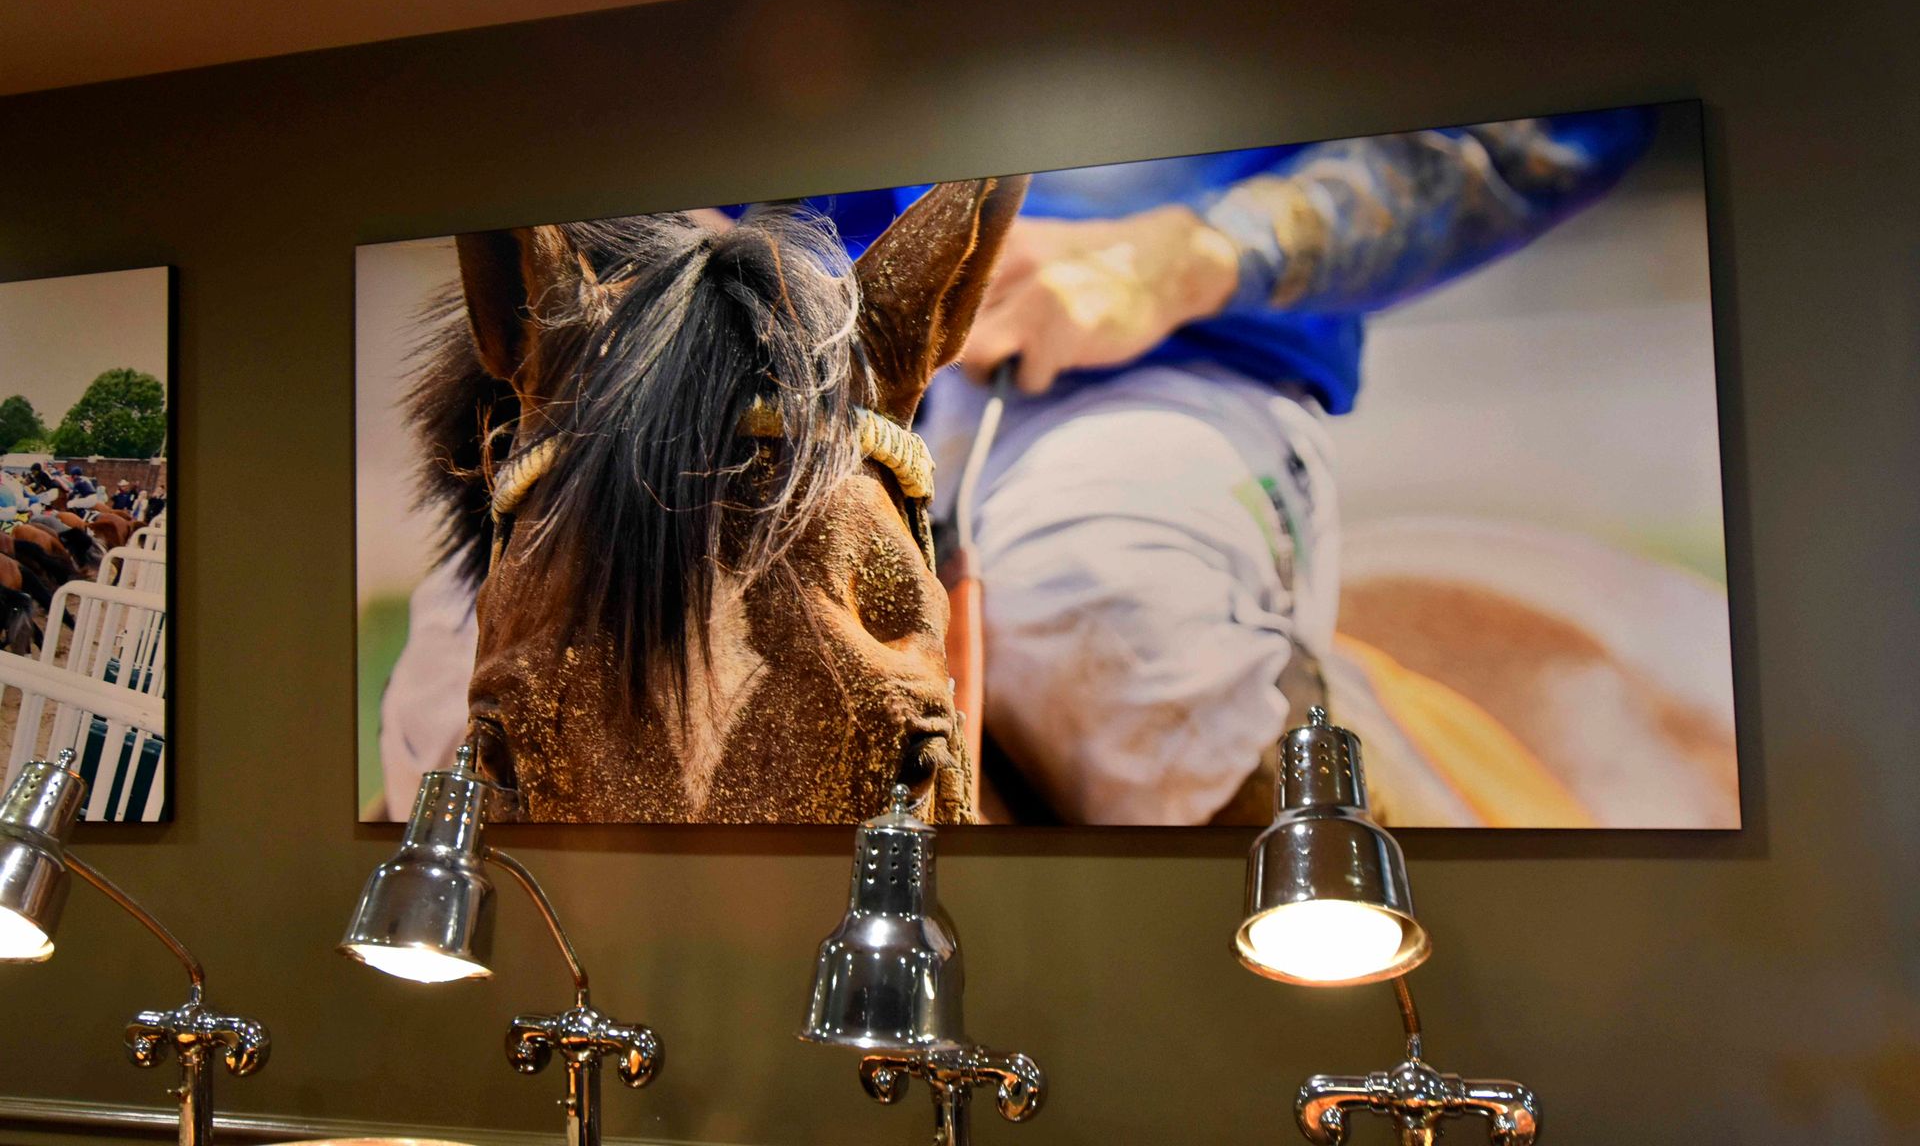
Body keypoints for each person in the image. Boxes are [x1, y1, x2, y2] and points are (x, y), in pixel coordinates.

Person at [377, 108, 1656, 823]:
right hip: (770, 359)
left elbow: (1567, 115)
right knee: (444, 704)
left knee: (1116, 616)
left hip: (1168, 347)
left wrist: (1206, 250)